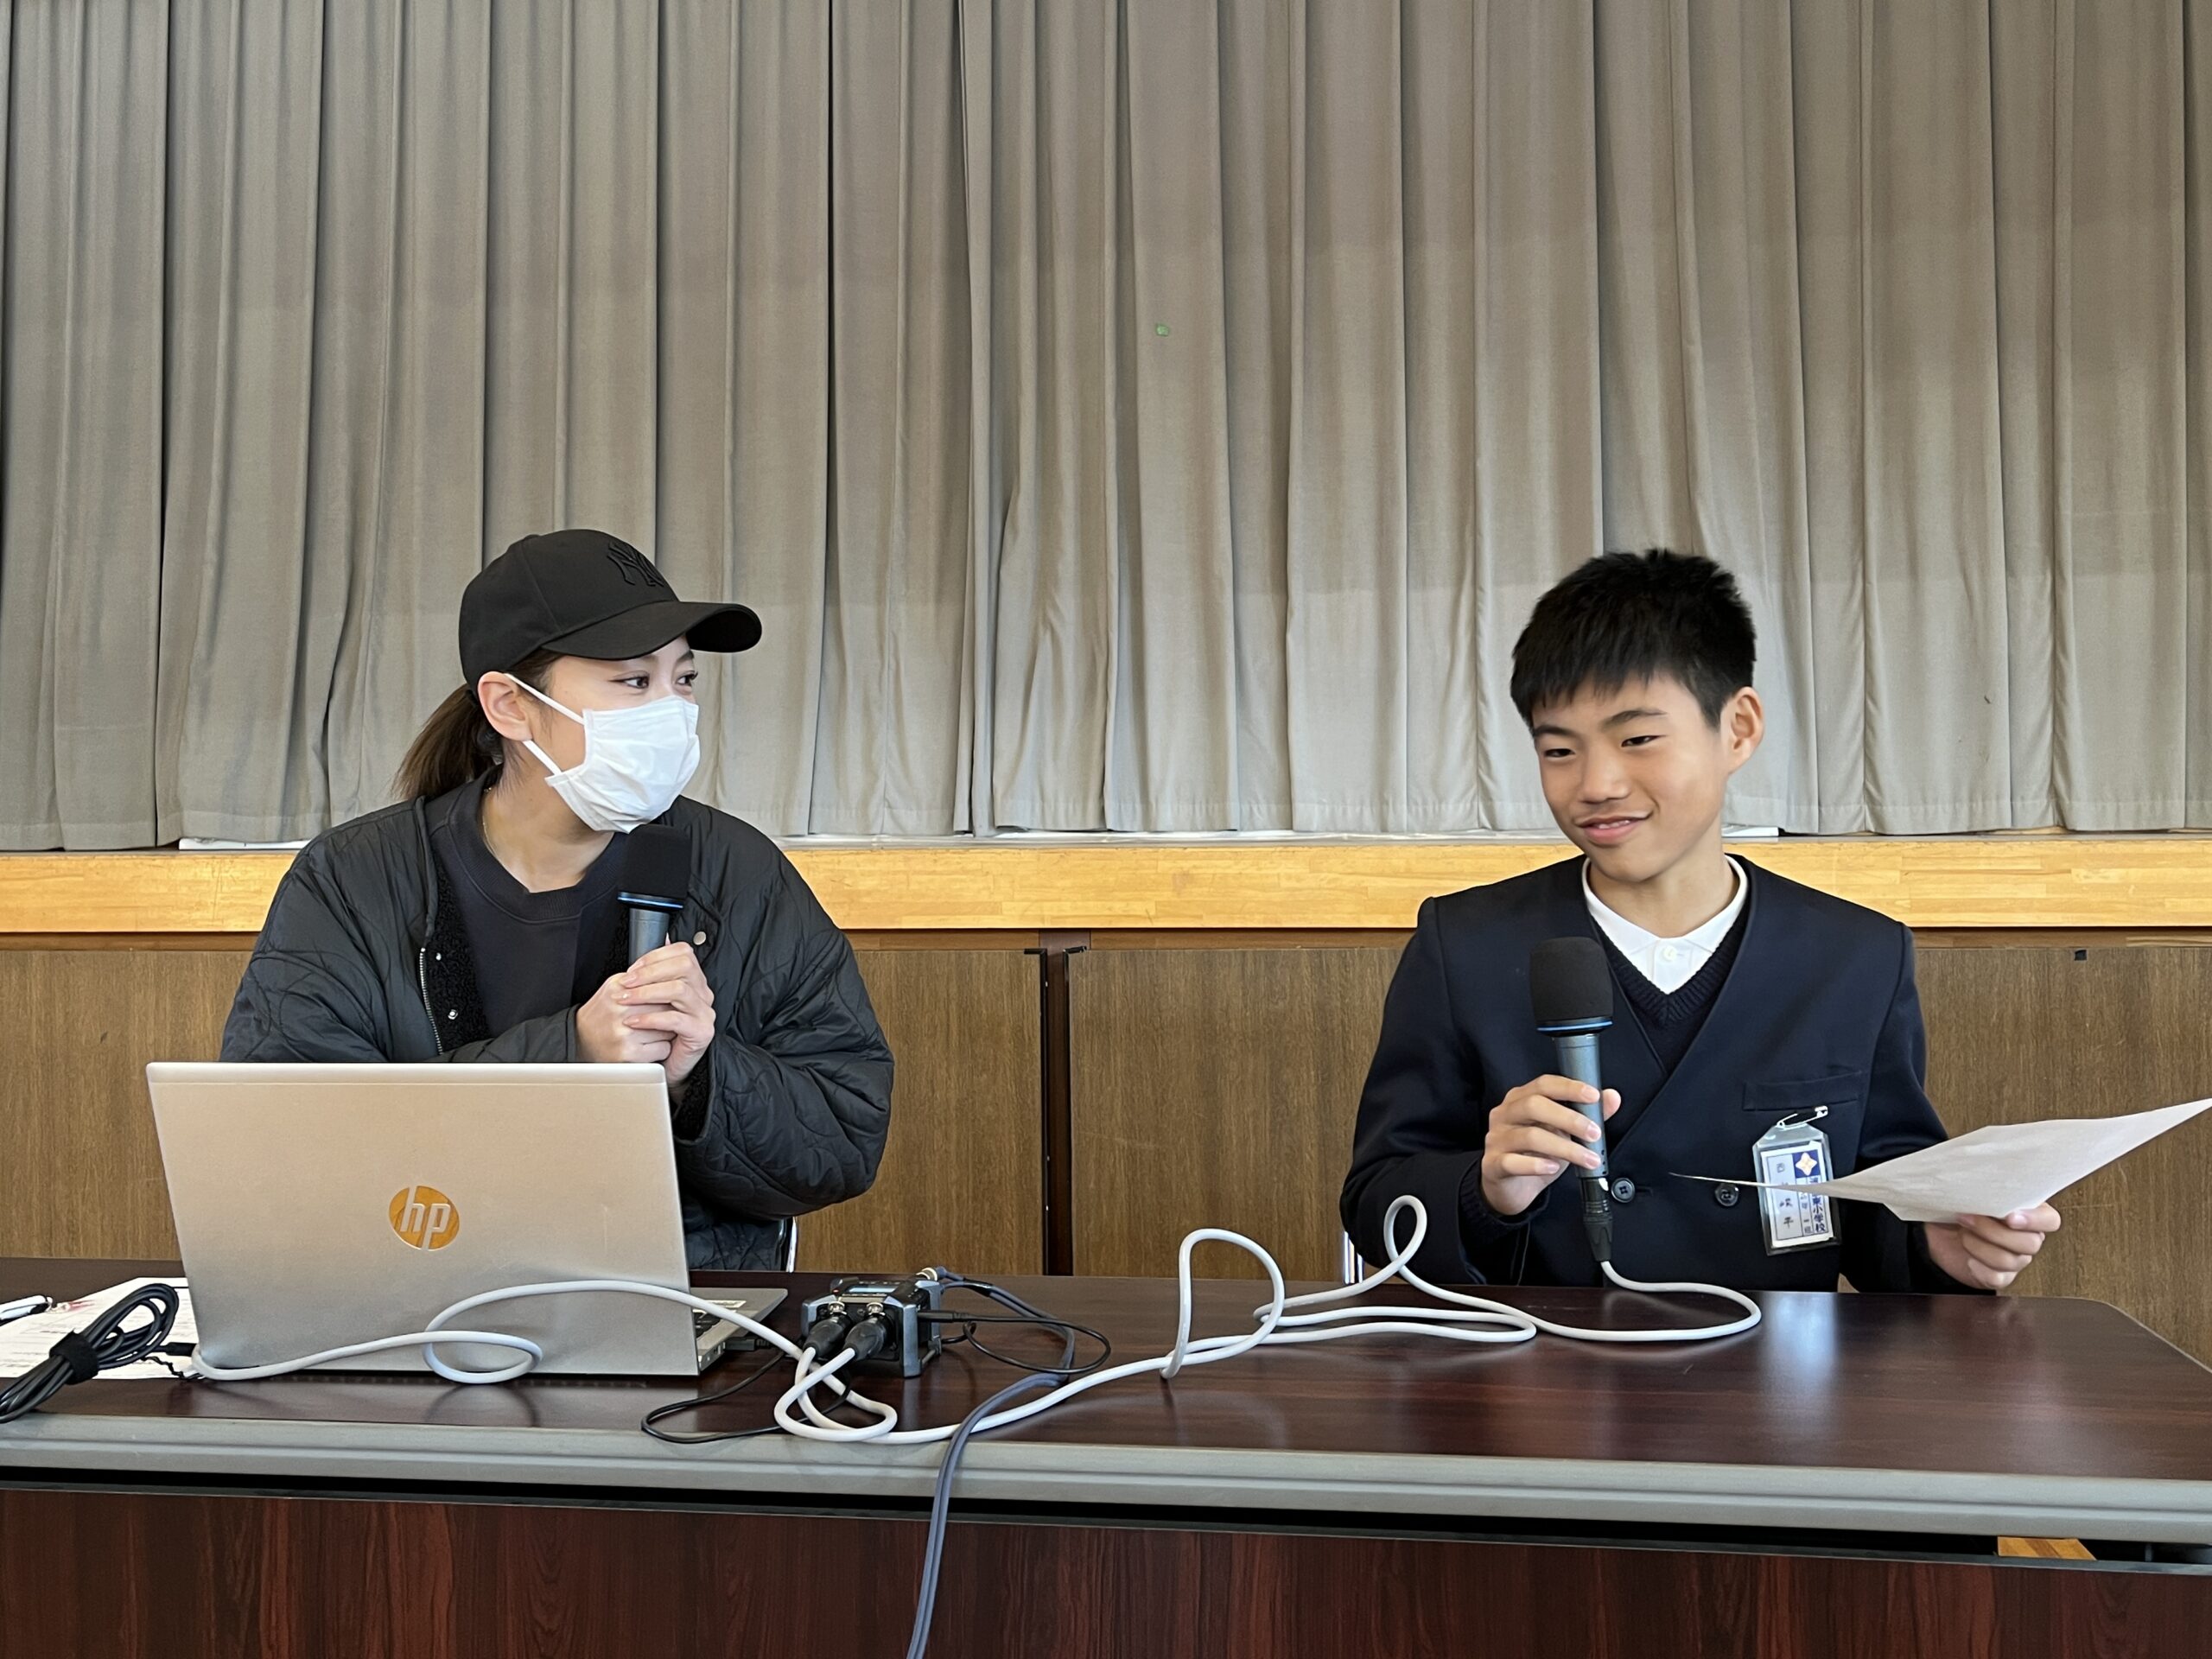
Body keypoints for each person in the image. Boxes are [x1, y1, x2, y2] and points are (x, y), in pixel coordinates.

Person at [1340, 550, 2060, 1293]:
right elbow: (1375, 1202)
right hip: (1540, 1357)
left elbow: (1881, 1200)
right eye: (1559, 750)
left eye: (1637, 739)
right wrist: (1484, 1189)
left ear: (1738, 728)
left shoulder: (1855, 957)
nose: (1596, 784)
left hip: (1776, 1360)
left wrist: (1939, 1247)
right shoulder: (1466, 945)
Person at [221, 529, 893, 1269]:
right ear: (510, 705)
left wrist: (696, 1077)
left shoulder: (736, 871)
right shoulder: (355, 878)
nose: (671, 710)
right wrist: (572, 1054)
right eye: (633, 683)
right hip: (418, 1292)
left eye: (683, 680)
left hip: (678, 1302)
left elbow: (844, 1138)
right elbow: (291, 1136)